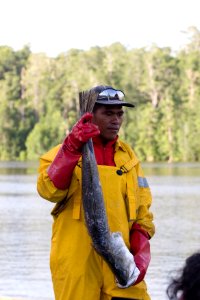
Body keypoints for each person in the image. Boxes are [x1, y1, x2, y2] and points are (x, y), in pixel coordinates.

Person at [37, 85, 155, 300]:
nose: (116, 120)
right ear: (90, 115)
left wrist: (141, 249)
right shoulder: (63, 151)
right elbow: (48, 190)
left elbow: (142, 209)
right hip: (77, 262)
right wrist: (71, 148)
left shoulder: (128, 156)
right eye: (108, 113)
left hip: (119, 261)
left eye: (119, 114)